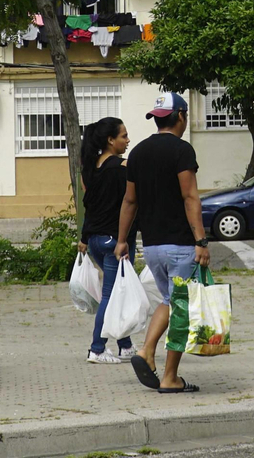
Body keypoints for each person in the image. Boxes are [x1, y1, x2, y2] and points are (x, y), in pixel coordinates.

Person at [115, 92, 210, 394]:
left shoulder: (139, 152)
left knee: (169, 301)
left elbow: (129, 200)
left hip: (152, 246)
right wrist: (201, 241)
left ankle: (146, 351)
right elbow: (190, 196)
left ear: (157, 118)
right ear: (181, 116)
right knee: (181, 308)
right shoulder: (182, 151)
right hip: (181, 244)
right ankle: (169, 376)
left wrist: (122, 241)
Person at [78, 116, 134, 365]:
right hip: (115, 241)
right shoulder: (121, 168)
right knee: (111, 295)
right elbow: (130, 203)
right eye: (123, 136)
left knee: (118, 292)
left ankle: (125, 345)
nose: (128, 140)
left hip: (96, 242)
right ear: (111, 140)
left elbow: (90, 207)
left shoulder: (91, 169)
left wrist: (83, 238)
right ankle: (97, 348)